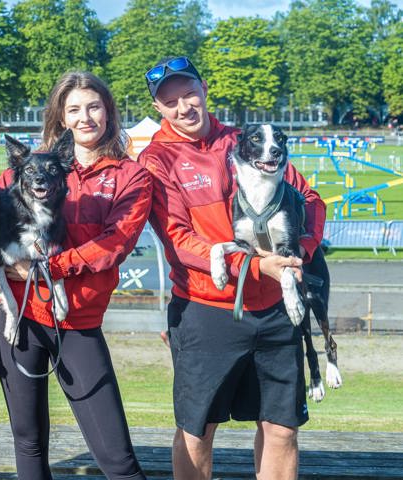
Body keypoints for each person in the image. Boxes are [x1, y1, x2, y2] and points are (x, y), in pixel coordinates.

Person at [137, 56, 325, 480]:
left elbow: (309, 200)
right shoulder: (156, 159)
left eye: (189, 93)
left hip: (276, 307)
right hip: (207, 309)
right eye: (170, 101)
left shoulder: (251, 140)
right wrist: (259, 267)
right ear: (158, 110)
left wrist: (300, 252)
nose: (184, 106)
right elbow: (180, 242)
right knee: (197, 431)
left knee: (282, 430)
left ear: (204, 89)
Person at [0, 71, 151, 480]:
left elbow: (114, 245)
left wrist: (45, 268)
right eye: (73, 109)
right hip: (18, 320)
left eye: (94, 106)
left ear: (108, 112)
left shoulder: (131, 176)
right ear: (60, 117)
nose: (85, 117)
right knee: (29, 442)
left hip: (77, 323)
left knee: (117, 458)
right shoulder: (33, 167)